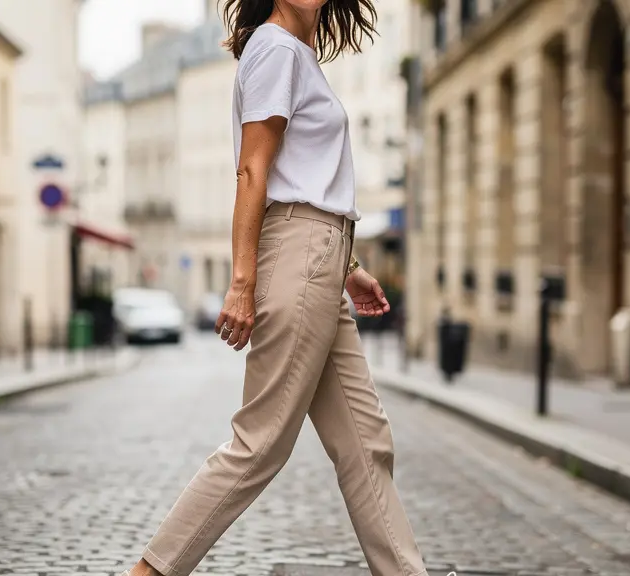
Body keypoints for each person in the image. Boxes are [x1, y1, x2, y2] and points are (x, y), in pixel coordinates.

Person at [123, 1, 434, 575]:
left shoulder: (298, 55)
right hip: (302, 259)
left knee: (366, 443)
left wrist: (348, 265)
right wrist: (242, 283)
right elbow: (253, 172)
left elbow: (305, 184)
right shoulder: (275, 48)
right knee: (260, 443)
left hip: (321, 260)